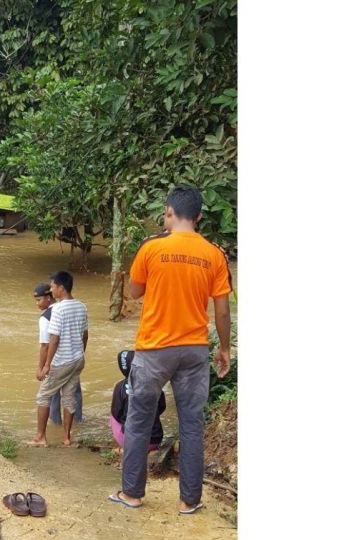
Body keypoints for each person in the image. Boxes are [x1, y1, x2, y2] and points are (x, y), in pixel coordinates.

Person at [108, 186, 232, 515]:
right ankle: (189, 501)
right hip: (193, 351)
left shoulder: (151, 247)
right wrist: (224, 348)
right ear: (199, 217)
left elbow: (134, 292)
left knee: (138, 420)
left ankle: (132, 494)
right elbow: (221, 310)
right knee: (192, 424)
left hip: (153, 350)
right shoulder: (215, 254)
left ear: (168, 213)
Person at [27, 271, 88, 447]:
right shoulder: (81, 306)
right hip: (77, 360)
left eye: (53, 286)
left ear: (61, 288)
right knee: (69, 397)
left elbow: (53, 340)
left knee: (43, 396)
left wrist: (46, 366)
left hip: (62, 361)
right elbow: (85, 335)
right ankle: (67, 438)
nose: (51, 289)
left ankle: (40, 437)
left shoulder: (57, 310)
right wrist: (79, 353)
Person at [32, 283, 84, 425]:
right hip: (74, 358)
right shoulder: (70, 308)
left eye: (39, 300)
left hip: (56, 362)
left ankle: (55, 424)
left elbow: (45, 345)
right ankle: (78, 422)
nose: (37, 304)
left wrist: (42, 367)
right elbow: (83, 334)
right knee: (73, 394)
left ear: (49, 298)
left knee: (50, 395)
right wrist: (80, 353)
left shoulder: (46, 317)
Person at [110, 350, 165, 453]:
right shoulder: (155, 384)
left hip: (130, 442)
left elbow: (116, 414)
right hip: (154, 439)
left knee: (113, 416)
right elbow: (162, 408)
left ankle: (124, 447)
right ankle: (151, 450)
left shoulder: (119, 387)